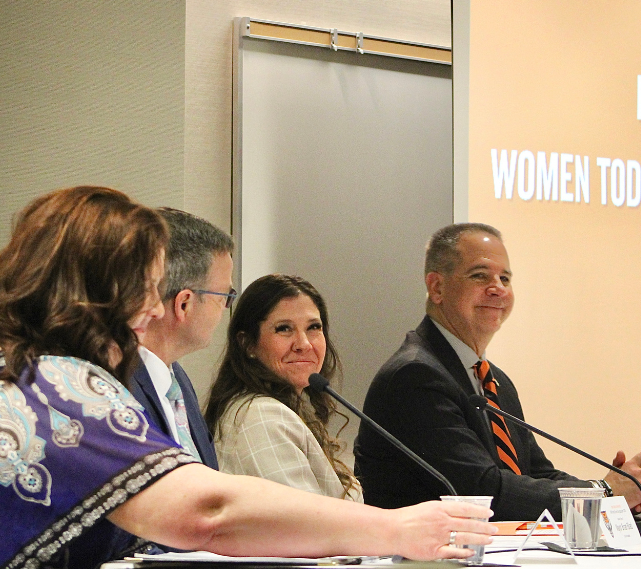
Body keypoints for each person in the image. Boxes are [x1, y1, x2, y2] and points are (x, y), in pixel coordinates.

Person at [0, 187, 495, 569]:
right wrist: (393, 527)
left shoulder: (30, 372)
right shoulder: (55, 384)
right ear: (97, 288)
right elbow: (206, 511)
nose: (155, 308)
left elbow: (216, 526)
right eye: (146, 288)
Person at [355, 222, 641, 521]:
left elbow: (536, 475)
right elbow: (483, 492)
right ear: (437, 287)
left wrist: (620, 491)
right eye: (480, 276)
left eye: (505, 278)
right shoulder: (415, 376)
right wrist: (603, 492)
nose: (498, 289)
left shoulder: (494, 381)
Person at [205, 275, 362, 501]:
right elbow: (308, 528)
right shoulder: (261, 417)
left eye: (314, 327)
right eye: (284, 329)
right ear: (247, 343)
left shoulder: (279, 408)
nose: (304, 344)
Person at [130, 208, 234, 470]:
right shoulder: (115, 385)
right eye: (224, 296)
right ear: (184, 304)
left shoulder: (178, 381)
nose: (225, 308)